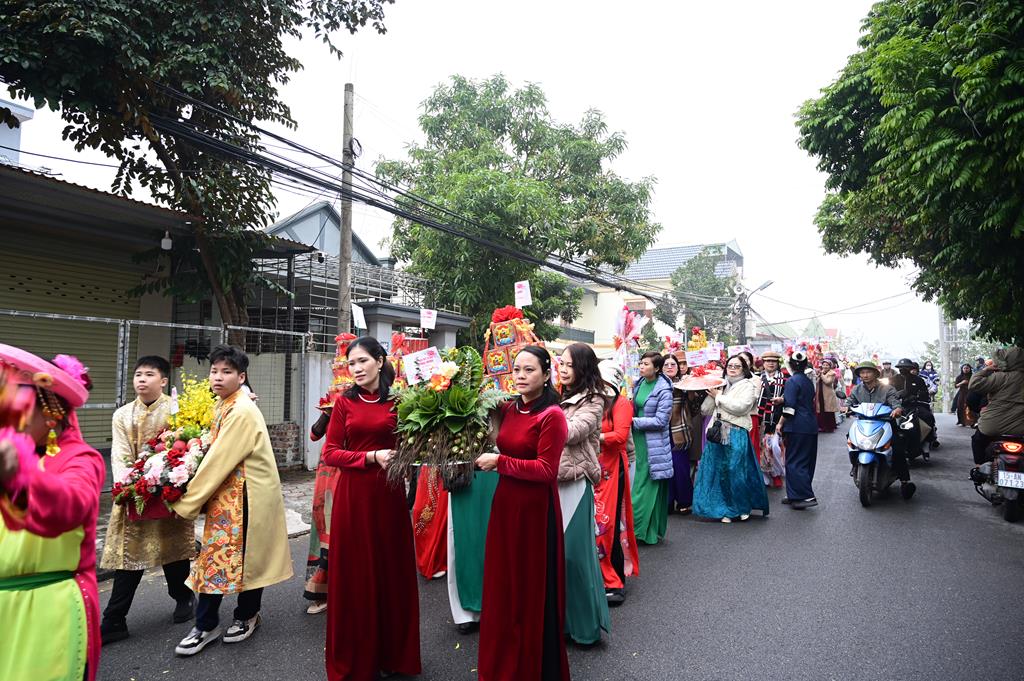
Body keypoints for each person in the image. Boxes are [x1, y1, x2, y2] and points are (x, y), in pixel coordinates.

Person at [171, 345, 293, 656]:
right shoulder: (226, 404)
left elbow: (219, 460)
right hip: (229, 497)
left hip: (247, 496)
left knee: (247, 560)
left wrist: (187, 502)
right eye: (214, 371)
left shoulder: (241, 410)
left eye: (227, 372)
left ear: (242, 377)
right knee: (215, 559)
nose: (218, 377)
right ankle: (207, 623)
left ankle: (245, 615)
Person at [0, 346, 104, 681]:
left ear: (50, 411)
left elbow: (71, 504)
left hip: (48, 611)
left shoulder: (80, 459)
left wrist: (18, 474)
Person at [321, 336, 421, 680]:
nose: (357, 369)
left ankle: (394, 655)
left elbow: (413, 444)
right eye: (352, 363)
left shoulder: (402, 401)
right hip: (354, 496)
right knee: (357, 578)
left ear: (380, 361)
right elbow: (330, 453)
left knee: (391, 574)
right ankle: (357, 660)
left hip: (390, 496)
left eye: (363, 361)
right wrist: (370, 457)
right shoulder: (344, 405)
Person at [475, 346, 571, 681]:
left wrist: (499, 462)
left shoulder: (552, 416)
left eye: (529, 370)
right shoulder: (507, 408)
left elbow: (546, 471)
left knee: (528, 589)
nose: (520, 376)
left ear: (546, 375)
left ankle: (530, 666)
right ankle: (502, 663)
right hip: (505, 505)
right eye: (516, 369)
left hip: (534, 511)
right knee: (503, 587)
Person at [101, 356, 196, 643]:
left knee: (173, 548)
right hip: (132, 494)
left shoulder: (176, 410)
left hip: (168, 491)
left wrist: (169, 479)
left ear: (163, 380)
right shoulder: (122, 415)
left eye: (149, 374)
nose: (141, 379)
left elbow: (186, 448)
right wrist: (126, 486)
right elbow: (118, 454)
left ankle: (183, 597)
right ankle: (114, 619)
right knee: (128, 556)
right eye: (138, 374)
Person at [555, 343, 610, 645]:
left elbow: (573, 431)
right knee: (554, 556)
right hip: (550, 480)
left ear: (582, 368)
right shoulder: (555, 395)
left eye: (568, 365)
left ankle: (585, 627)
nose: (562, 369)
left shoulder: (594, 400)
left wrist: (541, 416)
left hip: (576, 482)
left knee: (574, 556)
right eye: (560, 364)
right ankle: (561, 622)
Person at [692, 355, 770, 522]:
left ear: (744, 369)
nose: (732, 368)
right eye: (730, 365)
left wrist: (719, 397)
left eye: (737, 366)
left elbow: (741, 407)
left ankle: (742, 506)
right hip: (718, 433)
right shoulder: (721, 385)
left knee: (736, 470)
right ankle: (725, 508)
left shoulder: (748, 386)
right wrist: (711, 393)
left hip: (736, 432)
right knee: (720, 472)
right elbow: (705, 410)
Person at [595, 359, 640, 606]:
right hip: (590, 468)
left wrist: (592, 436)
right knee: (591, 524)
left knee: (608, 523)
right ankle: (594, 576)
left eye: (603, 382)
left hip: (612, 469)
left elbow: (620, 437)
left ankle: (614, 579)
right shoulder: (588, 401)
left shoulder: (621, 403)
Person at [845, 360, 916, 499]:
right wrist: (846, 407)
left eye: (868, 372)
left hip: (885, 423)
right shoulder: (857, 389)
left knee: (898, 447)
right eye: (862, 372)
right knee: (849, 438)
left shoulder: (887, 389)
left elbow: (895, 402)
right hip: (864, 423)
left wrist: (897, 409)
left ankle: (905, 481)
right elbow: (849, 401)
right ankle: (855, 465)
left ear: (875, 373)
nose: (865, 375)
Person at [630, 351, 674, 544]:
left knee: (643, 486)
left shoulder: (664, 390)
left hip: (653, 443)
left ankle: (638, 530)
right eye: (640, 363)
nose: (641, 366)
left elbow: (661, 420)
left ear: (657, 368)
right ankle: (641, 530)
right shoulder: (638, 384)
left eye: (646, 364)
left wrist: (633, 421)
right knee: (637, 482)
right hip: (636, 439)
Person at [968, 347, 1024, 464]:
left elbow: (974, 385)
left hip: (992, 426)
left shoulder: (1000, 377)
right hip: (1021, 429)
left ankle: (979, 467)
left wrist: (986, 370)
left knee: (977, 441)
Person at [777, 352, 818, 509]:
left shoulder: (792, 381)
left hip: (797, 425)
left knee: (794, 461)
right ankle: (795, 494)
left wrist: (780, 423)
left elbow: (790, 408)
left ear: (791, 365)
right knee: (806, 460)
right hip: (810, 424)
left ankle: (805, 496)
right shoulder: (807, 381)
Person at [303, 407, 334, 614]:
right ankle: (321, 591)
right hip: (326, 477)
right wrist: (327, 414)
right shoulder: (333, 407)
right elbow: (314, 435)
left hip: (348, 473)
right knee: (324, 531)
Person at [663, 353, 693, 514]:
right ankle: (667, 501)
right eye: (666, 364)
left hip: (680, 430)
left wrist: (692, 392)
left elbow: (695, 408)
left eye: (673, 364)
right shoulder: (656, 384)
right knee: (664, 467)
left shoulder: (686, 384)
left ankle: (684, 501)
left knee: (680, 467)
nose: (670, 367)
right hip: (660, 430)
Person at [757, 351, 787, 488]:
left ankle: (777, 474)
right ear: (763, 363)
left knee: (775, 447)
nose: (770, 363)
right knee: (761, 447)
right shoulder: (756, 378)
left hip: (777, 419)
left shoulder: (786, 379)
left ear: (778, 363)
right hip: (759, 419)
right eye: (768, 361)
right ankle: (764, 476)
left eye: (773, 361)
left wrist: (783, 399)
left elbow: (792, 399)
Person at [813, 358, 839, 433]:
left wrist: (821, 375)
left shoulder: (832, 373)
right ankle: (822, 426)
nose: (825, 366)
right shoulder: (822, 372)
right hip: (820, 394)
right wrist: (818, 376)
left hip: (828, 395)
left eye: (827, 365)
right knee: (821, 410)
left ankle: (829, 427)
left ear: (830, 366)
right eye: (824, 365)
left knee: (828, 411)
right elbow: (817, 382)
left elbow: (828, 382)